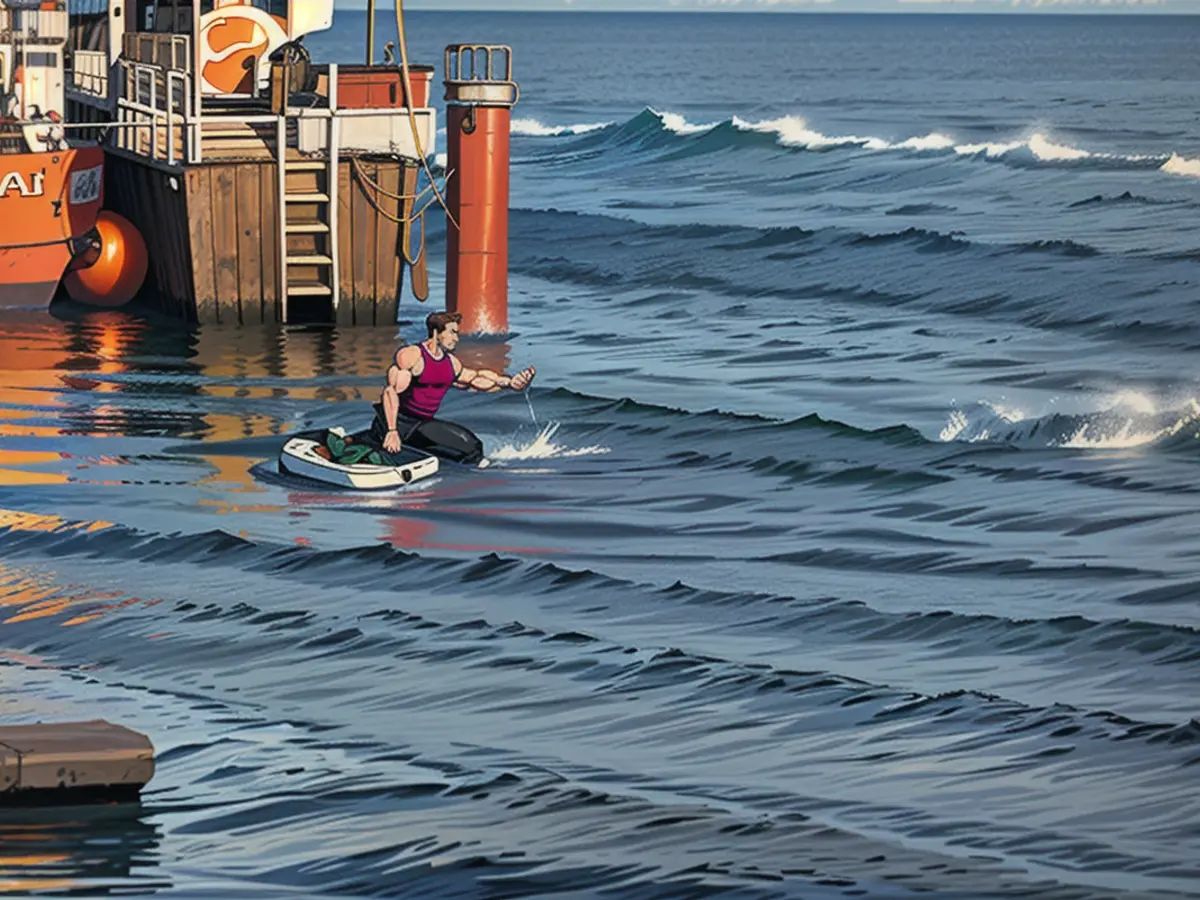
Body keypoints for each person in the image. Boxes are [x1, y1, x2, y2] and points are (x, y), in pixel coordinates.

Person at [370, 310, 535, 466]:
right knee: (470, 446)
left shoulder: (451, 363)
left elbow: (475, 379)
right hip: (398, 422)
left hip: (421, 424)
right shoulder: (412, 356)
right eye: (452, 332)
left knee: (471, 445)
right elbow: (391, 391)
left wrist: (509, 383)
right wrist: (392, 431)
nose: (456, 338)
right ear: (436, 333)